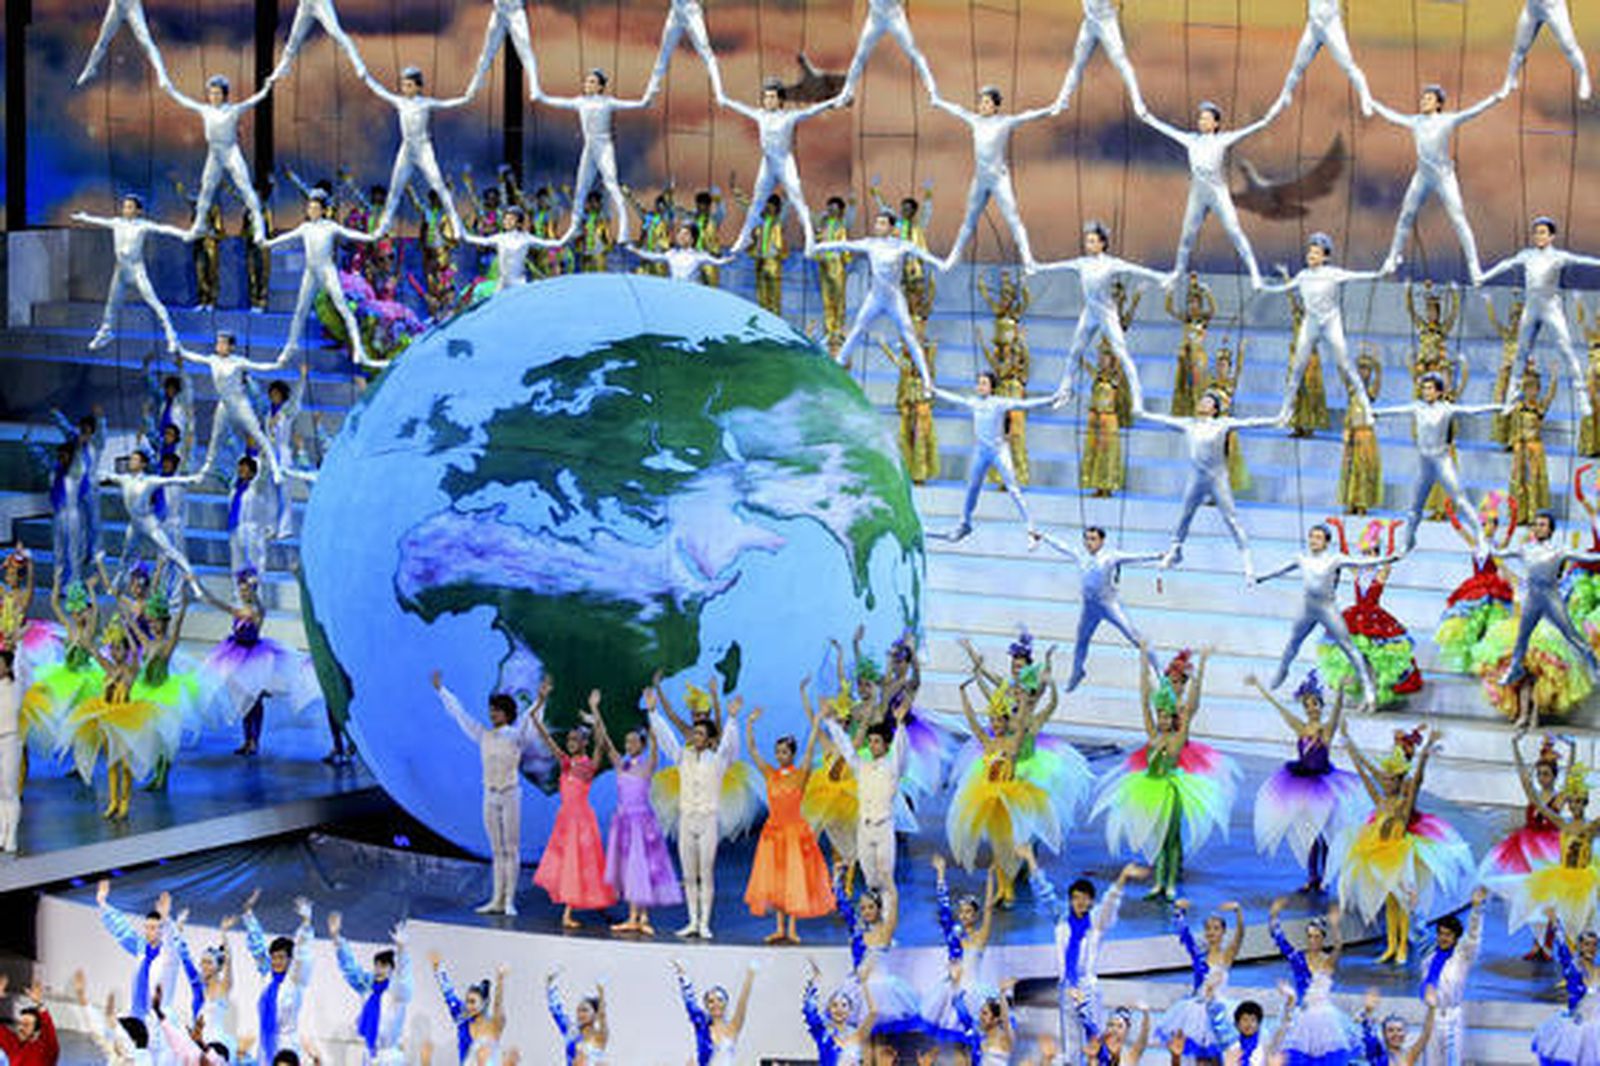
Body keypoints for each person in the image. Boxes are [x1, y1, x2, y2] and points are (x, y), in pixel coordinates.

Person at [1092, 649, 1235, 900]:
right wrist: (1143, 664)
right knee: (1157, 836)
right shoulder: (1153, 731)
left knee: (1171, 837)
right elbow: (1144, 703)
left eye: (1166, 716)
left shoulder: (1178, 735)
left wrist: (1200, 666)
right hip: (1150, 786)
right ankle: (1158, 882)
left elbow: (1190, 709)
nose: (1163, 719)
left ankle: (1169, 882)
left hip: (1172, 785)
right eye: (1161, 716)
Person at [1333, 725, 1473, 964]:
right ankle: (1390, 945)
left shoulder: (1403, 803)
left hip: (1400, 854)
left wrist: (1425, 752)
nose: (1386, 783)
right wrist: (1350, 746)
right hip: (1379, 852)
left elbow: (1416, 779)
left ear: (1399, 782)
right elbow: (1365, 776)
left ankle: (1402, 947)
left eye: (1391, 780)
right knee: (1389, 902)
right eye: (1384, 780)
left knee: (1402, 901)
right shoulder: (1380, 801)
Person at [1256, 522, 1403, 711]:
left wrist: (1390, 556)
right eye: (1311, 536)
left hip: (1328, 608)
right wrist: (1260, 577)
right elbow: (1280, 569)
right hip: (1307, 608)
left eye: (1318, 537)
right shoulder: (1301, 557)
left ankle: (1368, 689)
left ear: (1326, 542)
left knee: (1348, 647)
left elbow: (1362, 561)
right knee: (1293, 641)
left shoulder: (1336, 559)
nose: (1313, 540)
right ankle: (1281, 671)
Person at [1140, 98, 1285, 288]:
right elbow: (1168, 130)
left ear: (1216, 123)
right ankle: (1178, 272)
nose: (1202, 122)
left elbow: (1251, 129)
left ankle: (1255, 275)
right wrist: (1147, 117)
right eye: (1201, 118)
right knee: (1186, 237)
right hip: (1198, 195)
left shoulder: (1223, 139)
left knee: (1235, 232)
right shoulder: (1191, 139)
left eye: (1207, 119)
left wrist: (1266, 119)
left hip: (1218, 193)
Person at [433, 671, 546, 915]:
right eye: (491, 709)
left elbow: (531, 718)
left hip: (510, 794)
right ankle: (496, 898)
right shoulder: (484, 735)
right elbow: (460, 716)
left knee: (511, 848)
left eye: (496, 710)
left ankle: (509, 901)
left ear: (506, 713)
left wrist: (541, 699)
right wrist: (442, 691)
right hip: (490, 794)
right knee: (496, 849)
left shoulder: (517, 736)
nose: (491, 713)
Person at [1372, 83, 1506, 282]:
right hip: (1423, 176)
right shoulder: (1415, 121)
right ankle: (1392, 259)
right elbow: (1392, 116)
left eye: (1428, 98)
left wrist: (1494, 98)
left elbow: (1473, 112)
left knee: (1458, 219)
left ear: (1438, 103)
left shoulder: (1447, 120)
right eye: (1423, 98)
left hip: (1444, 177)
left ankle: (1474, 267)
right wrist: (1371, 101)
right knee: (1406, 215)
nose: (1424, 101)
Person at [1142, 393, 1284, 580]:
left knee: (1232, 520)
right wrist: (1143, 414)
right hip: (1196, 478)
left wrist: (1276, 419)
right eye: (1201, 400)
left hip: (1217, 478)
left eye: (1207, 402)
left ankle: (1247, 562)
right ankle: (1175, 551)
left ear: (1215, 409)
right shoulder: (1189, 424)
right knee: (1185, 516)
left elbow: (1249, 423)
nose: (1202, 403)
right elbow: (1164, 419)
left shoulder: (1222, 424)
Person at [1245, 672, 1362, 894]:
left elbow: (1336, 714)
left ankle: (1325, 878)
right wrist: (1260, 687)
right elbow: (1281, 711)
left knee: (1324, 835)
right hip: (1302, 784)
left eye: (1315, 704)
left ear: (1320, 705)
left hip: (1324, 786)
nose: (1311, 708)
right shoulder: (1301, 728)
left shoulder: (1326, 730)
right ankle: (1312, 876)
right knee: (1309, 834)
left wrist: (1341, 691)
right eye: (1307, 705)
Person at [1031, 221, 1169, 408]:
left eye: (1093, 241)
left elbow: (1137, 269)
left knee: (1121, 353)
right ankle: (1064, 391)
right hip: (1090, 312)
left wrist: (1161, 277)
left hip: (1107, 313)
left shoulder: (1112, 264)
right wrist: (1036, 267)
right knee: (1074, 351)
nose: (1089, 245)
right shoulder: (1081, 263)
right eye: (1087, 241)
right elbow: (1057, 266)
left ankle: (1137, 397)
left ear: (1102, 243)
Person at [1025, 852, 1147, 1062]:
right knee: (1071, 1043)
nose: (1080, 902)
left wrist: (1123, 877)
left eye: (1085, 898)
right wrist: (1030, 859)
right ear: (1071, 900)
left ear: (1091, 901)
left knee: (1094, 1040)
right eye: (1076, 898)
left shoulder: (1096, 923)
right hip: (1067, 988)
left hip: (1087, 988)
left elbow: (1110, 903)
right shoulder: (1061, 919)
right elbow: (1045, 894)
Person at [1478, 214, 1600, 418]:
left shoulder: (1559, 257)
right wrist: (1484, 277)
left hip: (1551, 309)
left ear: (1551, 236)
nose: (1538, 236)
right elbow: (1506, 264)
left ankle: (1582, 398)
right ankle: (1511, 398)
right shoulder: (1527, 255)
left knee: (1566, 351)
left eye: (1543, 232)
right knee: (1521, 353)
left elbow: (1583, 260)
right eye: (1536, 232)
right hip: (1531, 309)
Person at [1261, 234, 1387, 426]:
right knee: (1297, 369)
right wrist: (1262, 287)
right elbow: (1284, 288)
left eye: (1316, 252)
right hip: (1311, 323)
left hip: (1331, 323)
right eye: (1310, 251)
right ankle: (1284, 411)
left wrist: (1379, 273)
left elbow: (1358, 276)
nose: (1311, 255)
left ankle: (1368, 409)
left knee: (1345, 365)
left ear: (1325, 257)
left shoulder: (1333, 273)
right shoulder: (1303, 275)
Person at [1369, 373, 1499, 556]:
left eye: (1430, 388)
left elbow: (1472, 411)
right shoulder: (1417, 407)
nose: (1426, 392)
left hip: (1442, 460)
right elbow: (1396, 410)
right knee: (1415, 506)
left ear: (1438, 392)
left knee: (1461, 500)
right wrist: (1377, 412)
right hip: (1425, 463)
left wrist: (1499, 407)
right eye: (1424, 388)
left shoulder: (1446, 409)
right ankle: (1408, 540)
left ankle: (1481, 537)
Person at [810, 211, 944, 387]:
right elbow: (844, 244)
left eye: (882, 223)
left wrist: (942, 264)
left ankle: (927, 379)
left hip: (894, 298)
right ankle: (839, 362)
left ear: (891, 227)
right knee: (858, 328)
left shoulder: (902, 245)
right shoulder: (870, 244)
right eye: (877, 223)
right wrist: (817, 247)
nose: (877, 226)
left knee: (909, 336)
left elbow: (923, 254)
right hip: (875, 297)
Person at [932, 85, 1055, 270]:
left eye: (987, 102)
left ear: (996, 106)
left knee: (1013, 220)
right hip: (980, 179)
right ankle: (953, 257)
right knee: (968, 220)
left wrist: (1051, 109)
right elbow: (957, 110)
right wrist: (938, 101)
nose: (982, 105)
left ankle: (1028, 260)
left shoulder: (1005, 122)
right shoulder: (974, 120)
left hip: (999, 180)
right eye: (981, 102)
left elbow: (1028, 115)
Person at [650, 694, 742, 939]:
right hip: (687, 820)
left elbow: (731, 746)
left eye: (700, 734)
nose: (695, 737)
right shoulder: (683, 756)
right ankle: (692, 921)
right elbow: (667, 740)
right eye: (694, 733)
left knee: (706, 872)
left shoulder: (718, 760)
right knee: (689, 875)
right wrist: (653, 714)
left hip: (707, 821)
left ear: (710, 739)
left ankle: (704, 923)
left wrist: (732, 719)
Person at [590, 688, 681, 934]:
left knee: (643, 867)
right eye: (627, 741)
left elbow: (655, 745)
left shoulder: (647, 765)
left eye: (633, 741)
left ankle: (641, 917)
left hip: (641, 823)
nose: (629, 744)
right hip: (624, 822)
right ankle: (635, 917)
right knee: (630, 869)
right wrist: (596, 710)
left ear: (641, 744)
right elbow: (605, 738)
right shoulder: (621, 764)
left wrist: (652, 713)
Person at [1032, 527, 1163, 691]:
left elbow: (1134, 557)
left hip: (1109, 605)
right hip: (1090, 608)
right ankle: (1077, 672)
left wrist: (1157, 555)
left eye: (1093, 539)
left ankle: (1160, 672)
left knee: (1135, 637)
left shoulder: (1111, 556)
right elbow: (1062, 546)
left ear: (1101, 541)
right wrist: (1043, 536)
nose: (1089, 542)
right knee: (1081, 641)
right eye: (1087, 538)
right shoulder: (1080, 555)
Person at [719, 80, 840, 255]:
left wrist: (833, 101)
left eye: (772, 97)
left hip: (784, 162)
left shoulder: (789, 116)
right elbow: (740, 107)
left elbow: (812, 110)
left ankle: (810, 237)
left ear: (780, 99)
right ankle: (744, 237)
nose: (768, 100)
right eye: (766, 97)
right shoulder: (760, 114)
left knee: (797, 199)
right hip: (768, 163)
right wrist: (725, 100)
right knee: (757, 202)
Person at [745, 698, 833, 941]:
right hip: (773, 833)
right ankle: (779, 928)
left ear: (792, 754)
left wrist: (816, 722)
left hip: (794, 833)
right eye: (778, 751)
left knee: (794, 879)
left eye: (785, 751)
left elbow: (810, 747)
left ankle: (792, 929)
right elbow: (752, 751)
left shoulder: (801, 774)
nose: (780, 755)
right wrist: (750, 724)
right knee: (776, 880)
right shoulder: (770, 774)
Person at [360, 66, 481, 240]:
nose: (405, 88)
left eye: (409, 85)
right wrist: (366, 77)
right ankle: (384, 225)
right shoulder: (400, 101)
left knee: (438, 185)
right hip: (407, 149)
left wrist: (466, 98)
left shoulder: (426, 103)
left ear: (418, 87)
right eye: (404, 85)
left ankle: (456, 223)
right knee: (395, 189)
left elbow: (447, 104)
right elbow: (380, 91)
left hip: (423, 148)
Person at [538, 69, 657, 246]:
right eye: (587, 82)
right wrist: (541, 97)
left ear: (601, 86)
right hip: (589, 147)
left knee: (611, 184)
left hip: (603, 146)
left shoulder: (608, 102)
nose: (587, 85)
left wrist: (645, 100)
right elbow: (560, 102)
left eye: (592, 82)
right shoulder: (580, 102)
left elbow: (632, 104)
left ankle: (624, 228)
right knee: (581, 187)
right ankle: (575, 226)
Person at [528, 689, 616, 929]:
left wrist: (595, 710)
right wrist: (540, 703)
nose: (571, 743)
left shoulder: (589, 765)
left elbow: (602, 740)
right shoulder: (566, 763)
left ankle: (573, 910)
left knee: (581, 864)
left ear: (584, 743)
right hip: (565, 820)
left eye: (576, 740)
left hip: (581, 821)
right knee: (565, 863)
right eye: (569, 740)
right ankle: (570, 909)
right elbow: (545, 736)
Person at [934, 373, 1054, 543]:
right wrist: (934, 390)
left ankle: (1031, 527)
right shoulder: (974, 402)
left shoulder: (999, 403)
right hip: (981, 452)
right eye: (979, 383)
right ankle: (965, 524)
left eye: (984, 383)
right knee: (972, 489)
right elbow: (955, 399)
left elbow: (1024, 404)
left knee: (1013, 489)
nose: (980, 386)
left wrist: (1050, 399)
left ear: (991, 387)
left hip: (999, 451)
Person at [262, 191, 377, 366]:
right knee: (300, 310)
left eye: (315, 208)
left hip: (326, 270)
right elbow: (286, 237)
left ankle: (359, 350)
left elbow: (350, 234)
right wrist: (268, 243)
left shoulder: (330, 226)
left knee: (343, 308)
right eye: (310, 207)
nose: (312, 211)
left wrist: (371, 237)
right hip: (311, 272)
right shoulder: (305, 227)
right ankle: (290, 347)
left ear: (323, 210)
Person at [1493, 510, 1600, 688]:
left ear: (1550, 530)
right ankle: (1515, 668)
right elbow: (1501, 553)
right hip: (1532, 598)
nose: (1537, 528)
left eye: (1542, 525)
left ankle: (1595, 665)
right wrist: (1485, 546)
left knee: (1571, 634)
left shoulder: (1559, 550)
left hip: (1551, 598)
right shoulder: (1525, 549)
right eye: (1535, 524)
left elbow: (1586, 556)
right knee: (1522, 636)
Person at [159, 75, 271, 243]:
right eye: (211, 93)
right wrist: (169, 89)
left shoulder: (233, 110)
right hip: (214, 153)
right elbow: (184, 101)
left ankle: (259, 227)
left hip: (231, 151)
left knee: (245, 187)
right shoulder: (205, 110)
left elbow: (254, 100)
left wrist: (267, 86)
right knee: (206, 189)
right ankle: (199, 225)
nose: (214, 97)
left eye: (217, 93)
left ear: (224, 95)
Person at [73, 196, 190, 352]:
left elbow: (163, 229)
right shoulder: (117, 222)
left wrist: (184, 234)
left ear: (138, 210)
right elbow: (99, 220)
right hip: (121, 269)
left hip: (136, 269)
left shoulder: (143, 225)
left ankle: (172, 337)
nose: (126, 210)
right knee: (112, 304)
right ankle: (106, 333)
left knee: (154, 302)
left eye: (129, 207)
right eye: (124, 207)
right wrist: (84, 217)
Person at [823, 691, 909, 902]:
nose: (872, 745)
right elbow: (846, 749)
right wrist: (831, 723)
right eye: (870, 741)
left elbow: (900, 752)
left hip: (884, 826)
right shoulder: (862, 766)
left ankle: (888, 915)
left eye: (877, 741)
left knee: (885, 873)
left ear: (885, 745)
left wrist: (900, 725)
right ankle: (874, 918)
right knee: (870, 875)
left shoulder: (892, 767)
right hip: (865, 826)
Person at [1268, 898, 1360, 1063]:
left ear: (1323, 938)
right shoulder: (1298, 959)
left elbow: (1339, 946)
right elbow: (1280, 940)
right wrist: (1274, 915)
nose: (1313, 940)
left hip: (1325, 1017)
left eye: (1317, 937)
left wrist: (1335, 925)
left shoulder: (1327, 961)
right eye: (1310, 936)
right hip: (1302, 1015)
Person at [1154, 900, 1245, 1061]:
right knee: (1199, 1057)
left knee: (1217, 1055)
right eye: (1208, 928)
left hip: (1219, 1010)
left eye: (1216, 928)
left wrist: (1238, 912)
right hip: (1196, 1009)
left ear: (1224, 932)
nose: (1211, 932)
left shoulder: (1227, 955)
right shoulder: (1199, 955)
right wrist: (1178, 911)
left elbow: (1240, 936)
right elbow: (1185, 934)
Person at [241, 894, 314, 1062]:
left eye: (281, 957)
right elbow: (258, 946)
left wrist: (306, 923)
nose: (276, 962)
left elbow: (302, 952)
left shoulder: (294, 979)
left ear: (290, 959)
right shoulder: (268, 976)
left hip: (286, 1046)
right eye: (274, 957)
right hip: (265, 1043)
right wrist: (248, 914)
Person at [331, 914, 411, 1066]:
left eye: (384, 966)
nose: (379, 969)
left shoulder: (396, 991)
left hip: (390, 1055)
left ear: (392, 969)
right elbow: (351, 969)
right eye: (377, 965)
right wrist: (337, 939)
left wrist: (402, 950)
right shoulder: (368, 987)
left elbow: (404, 975)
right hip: (369, 1052)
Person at [1417, 887, 1486, 1066]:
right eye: (1440, 933)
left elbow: (1473, 936)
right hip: (1431, 1015)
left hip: (1451, 1017)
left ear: (1456, 938)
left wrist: (1477, 910)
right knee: (1430, 1062)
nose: (1443, 938)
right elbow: (1418, 931)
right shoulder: (1429, 954)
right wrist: (1414, 905)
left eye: (1448, 935)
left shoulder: (1461, 957)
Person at [1272, 0, 1376, 115]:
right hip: (1313, 28)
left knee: (1348, 66)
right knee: (1297, 66)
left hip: (1331, 27)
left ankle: (1365, 96)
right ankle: (1285, 95)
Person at [95, 881, 171, 1022]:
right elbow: (121, 929)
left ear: (161, 929)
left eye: (153, 928)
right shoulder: (141, 946)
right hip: (137, 1013)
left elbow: (173, 939)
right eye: (147, 927)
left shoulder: (167, 950)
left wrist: (166, 919)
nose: (149, 932)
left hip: (156, 1016)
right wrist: (102, 903)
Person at [1055, 0, 1146, 114]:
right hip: (1090, 23)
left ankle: (1138, 102)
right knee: (1077, 63)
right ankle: (1062, 100)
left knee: (1121, 63)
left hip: (1107, 23)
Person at [837, 0, 938, 102]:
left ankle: (933, 91)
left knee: (914, 54)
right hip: (875, 20)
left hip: (895, 21)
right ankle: (847, 91)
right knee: (860, 55)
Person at [1533, 916, 1600, 1066]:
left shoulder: (1598, 971)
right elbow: (1563, 949)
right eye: (1587, 944)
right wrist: (1556, 925)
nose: (1591, 948)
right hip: (1576, 1029)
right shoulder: (1574, 968)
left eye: (1594, 945)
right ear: (1579, 946)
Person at [671, 960, 756, 1066]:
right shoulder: (703, 1028)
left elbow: (742, 1003)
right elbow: (691, 1004)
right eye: (711, 1001)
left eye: (719, 1000)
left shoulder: (733, 1027)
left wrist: (750, 977)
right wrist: (683, 976)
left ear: (725, 1003)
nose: (716, 1004)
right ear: (707, 1006)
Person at [1502, 0, 1592, 100]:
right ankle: (1510, 79)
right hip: (1532, 9)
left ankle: (1584, 77)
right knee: (1519, 47)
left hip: (1554, 9)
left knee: (1569, 46)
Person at [429, 954, 505, 1066]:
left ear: (484, 1003)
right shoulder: (462, 1018)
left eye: (473, 1002)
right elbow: (449, 993)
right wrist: (438, 969)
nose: (468, 1006)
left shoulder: (492, 1025)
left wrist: (500, 980)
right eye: (467, 1001)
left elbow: (498, 1005)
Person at [76, 0, 170, 87]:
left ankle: (162, 74)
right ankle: (90, 68)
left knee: (147, 42)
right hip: (117, 6)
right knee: (103, 39)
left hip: (132, 6)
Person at [268, 0, 369, 81]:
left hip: (321, 3)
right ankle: (285, 66)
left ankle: (358, 63)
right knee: (294, 38)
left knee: (335, 32)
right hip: (305, 5)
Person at [800, 959, 875, 1064]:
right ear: (829, 1009)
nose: (839, 1009)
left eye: (844, 1005)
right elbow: (809, 1010)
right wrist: (816, 980)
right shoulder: (823, 1032)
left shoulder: (858, 1034)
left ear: (850, 1010)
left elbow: (873, 1012)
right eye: (835, 1005)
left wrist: (865, 984)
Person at [645, 0, 724, 100]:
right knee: (664, 53)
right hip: (676, 12)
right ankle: (650, 93)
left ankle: (720, 93)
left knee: (707, 54)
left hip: (692, 12)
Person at [471, 0, 541, 98]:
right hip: (500, 13)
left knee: (526, 53)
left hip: (515, 13)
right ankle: (476, 81)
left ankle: (535, 88)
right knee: (487, 51)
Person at [624, 222, 734, 283]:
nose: (681, 237)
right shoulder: (672, 254)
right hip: (675, 293)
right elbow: (653, 257)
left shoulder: (699, 256)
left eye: (686, 234)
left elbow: (717, 262)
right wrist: (635, 250)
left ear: (693, 239)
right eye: (680, 234)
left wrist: (727, 260)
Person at [1357, 989, 1437, 1066]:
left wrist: (1432, 1009)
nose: (1396, 1034)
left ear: (1405, 1032)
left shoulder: (1409, 1055)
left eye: (1399, 1030)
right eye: (1390, 1030)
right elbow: (1370, 1037)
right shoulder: (1379, 1054)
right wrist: (1366, 1013)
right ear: (1384, 1034)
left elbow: (1425, 1035)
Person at [544, 971, 606, 1065]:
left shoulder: (599, 1036)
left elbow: (603, 1017)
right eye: (578, 1010)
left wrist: (601, 992)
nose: (580, 1014)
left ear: (595, 1015)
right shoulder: (572, 1032)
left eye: (585, 1010)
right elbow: (556, 1012)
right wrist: (551, 985)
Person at [0, 974, 61, 1066]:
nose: (21, 1027)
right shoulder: (12, 1043)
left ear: (36, 1032)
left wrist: (39, 1004)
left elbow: (49, 1032)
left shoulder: (45, 1050)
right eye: (20, 1023)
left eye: (26, 1024)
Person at [0, 649, 18, 851]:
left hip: (10, 739)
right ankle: (1, 832)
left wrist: (16, 641)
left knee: (9, 789)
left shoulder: (16, 686)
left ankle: (11, 834)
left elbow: (20, 662)